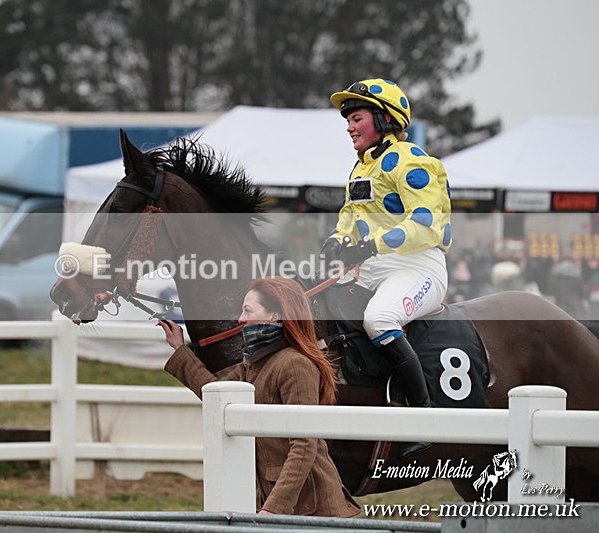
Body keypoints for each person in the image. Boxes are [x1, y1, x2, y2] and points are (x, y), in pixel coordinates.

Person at [322, 78, 452, 458]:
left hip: (419, 269)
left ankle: (423, 418)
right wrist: (337, 240)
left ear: (383, 119)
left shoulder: (413, 160)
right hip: (374, 269)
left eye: (356, 117)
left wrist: (370, 245)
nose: (349, 126)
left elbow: (428, 224)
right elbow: (350, 215)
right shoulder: (361, 168)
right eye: (348, 119)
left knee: (379, 320)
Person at [158, 277, 360, 517]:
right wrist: (180, 349)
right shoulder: (254, 363)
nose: (241, 319)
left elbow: (305, 446)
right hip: (290, 509)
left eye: (247, 310)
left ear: (275, 315)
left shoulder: (295, 365)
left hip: (313, 511)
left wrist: (273, 510)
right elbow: (215, 394)